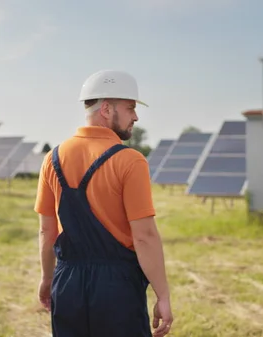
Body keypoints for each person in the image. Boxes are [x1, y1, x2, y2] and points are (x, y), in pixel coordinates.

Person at [34, 69, 173, 337]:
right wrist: (163, 295)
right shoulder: (130, 161)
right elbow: (144, 236)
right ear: (107, 109)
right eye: (130, 107)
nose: (136, 116)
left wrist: (47, 278)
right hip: (116, 287)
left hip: (67, 283)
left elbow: (46, 231)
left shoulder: (51, 159)